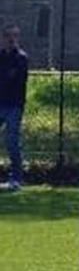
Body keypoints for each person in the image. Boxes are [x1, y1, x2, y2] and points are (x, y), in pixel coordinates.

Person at [0, 22, 28, 190]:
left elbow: (15, 79)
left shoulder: (22, 58)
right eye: (8, 36)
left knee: (12, 142)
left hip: (14, 105)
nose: (11, 39)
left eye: (14, 36)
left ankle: (17, 178)